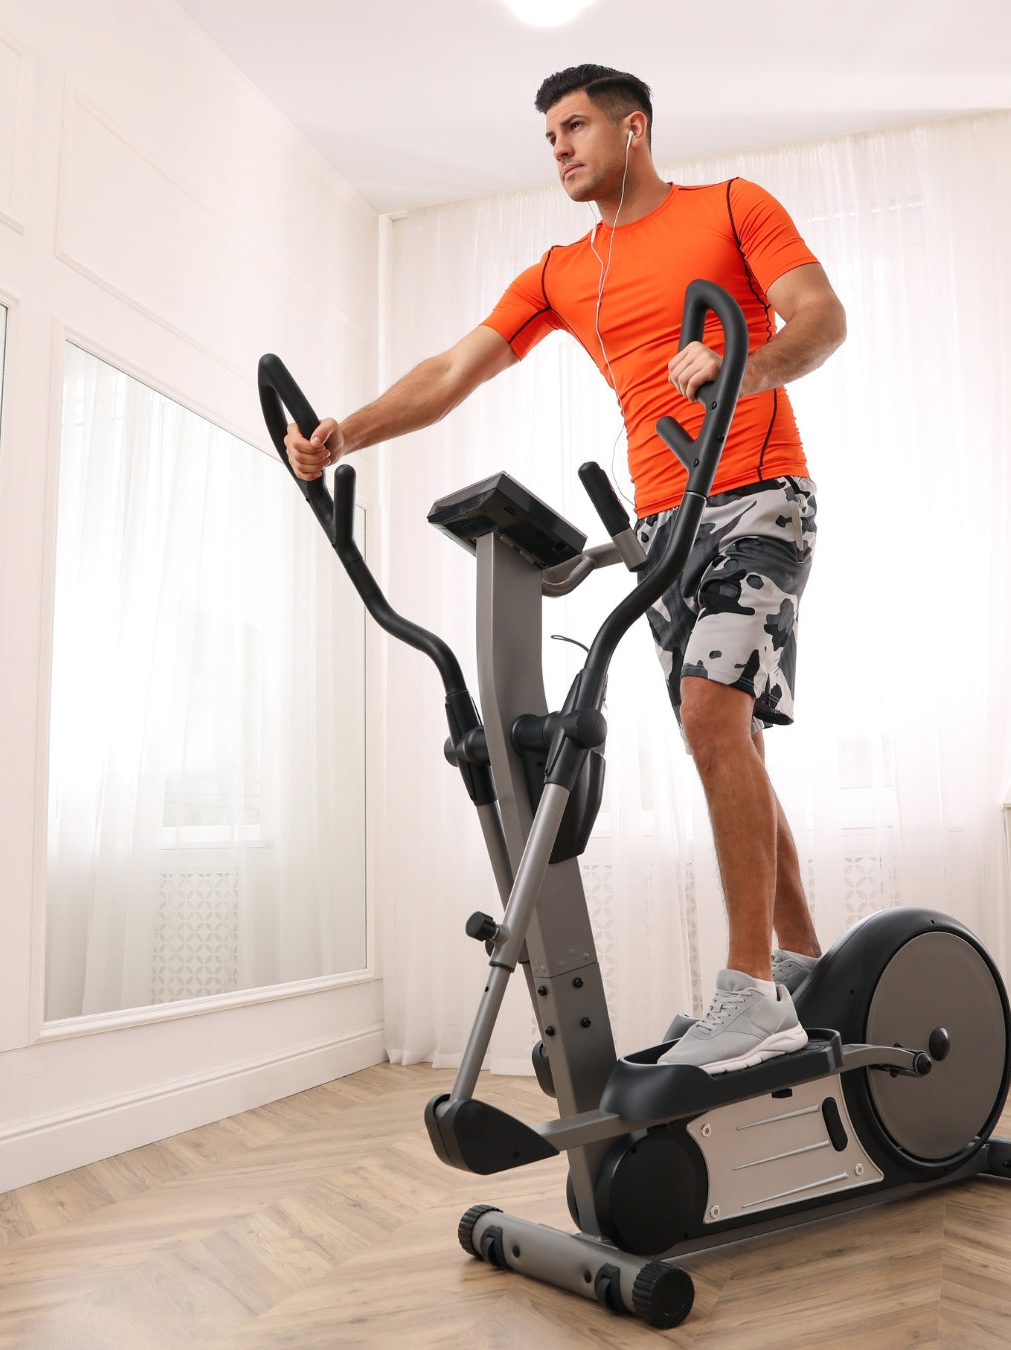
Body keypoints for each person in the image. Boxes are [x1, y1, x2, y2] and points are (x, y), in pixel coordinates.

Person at [285, 65, 847, 1075]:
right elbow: (453, 371)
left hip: (760, 493)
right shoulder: (560, 270)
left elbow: (819, 319)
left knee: (710, 715)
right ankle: (804, 969)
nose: (559, 146)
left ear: (634, 128)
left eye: (576, 125)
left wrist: (742, 366)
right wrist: (346, 434)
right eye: (548, 134)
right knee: (730, 738)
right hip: (664, 526)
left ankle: (750, 990)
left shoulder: (731, 208)